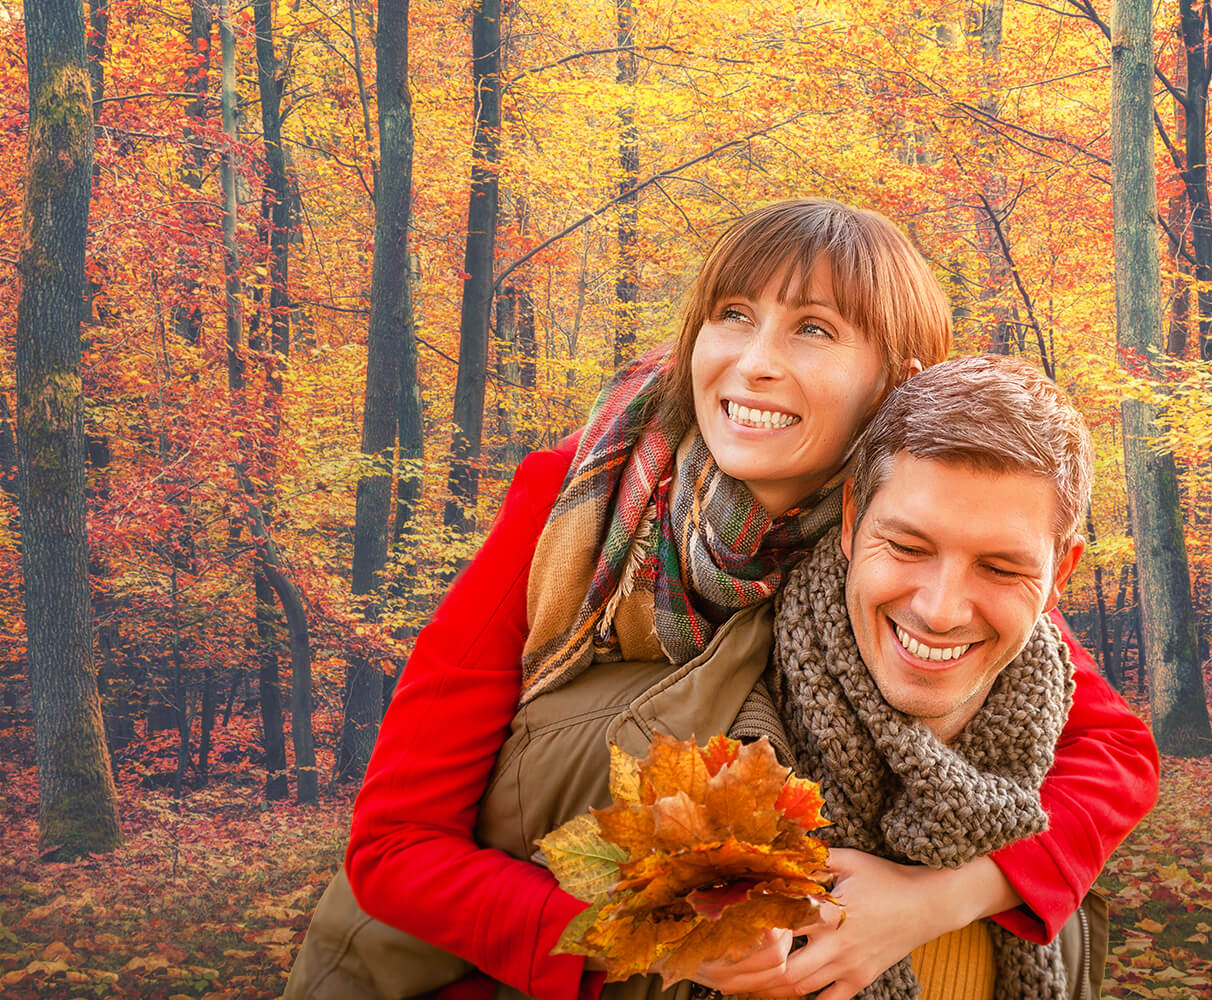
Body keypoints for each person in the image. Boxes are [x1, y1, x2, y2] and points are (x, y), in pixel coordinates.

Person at [284, 200, 1157, 1000]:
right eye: (733, 314)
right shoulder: (577, 502)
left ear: (897, 382)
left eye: (814, 329)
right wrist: (651, 934)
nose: (756, 361)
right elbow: (394, 846)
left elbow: (1114, 753)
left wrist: (936, 899)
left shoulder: (915, 534)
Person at [702, 354, 1142, 1000]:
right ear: (851, 520)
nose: (940, 611)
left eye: (1000, 569)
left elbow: (1126, 752)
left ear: (1059, 578)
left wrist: (942, 898)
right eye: (908, 547)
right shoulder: (705, 741)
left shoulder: (1046, 780)